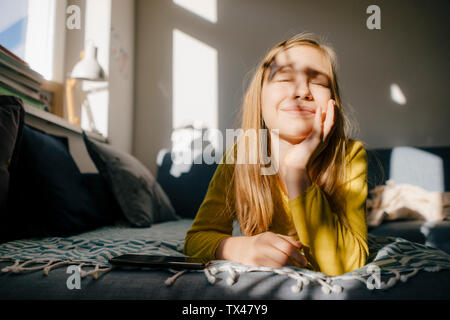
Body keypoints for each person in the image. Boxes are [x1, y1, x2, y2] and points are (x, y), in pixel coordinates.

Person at [183, 32, 369, 276]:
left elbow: (349, 264)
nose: (302, 90)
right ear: (257, 100)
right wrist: (240, 248)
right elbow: (196, 239)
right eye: (284, 78)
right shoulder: (242, 154)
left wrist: (296, 172)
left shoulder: (349, 156)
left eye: (319, 81)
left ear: (333, 102)